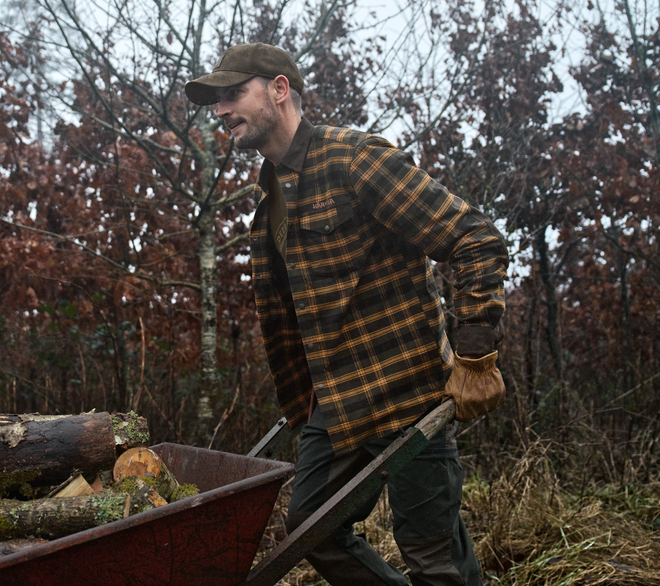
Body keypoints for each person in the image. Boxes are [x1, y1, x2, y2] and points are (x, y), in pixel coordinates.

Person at [185, 43, 508, 586]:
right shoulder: (270, 203)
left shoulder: (355, 160)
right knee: (309, 531)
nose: (220, 110)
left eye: (233, 94)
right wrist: (305, 398)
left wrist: (475, 357)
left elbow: (475, 238)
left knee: (432, 557)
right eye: (217, 100)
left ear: (279, 89)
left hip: (410, 398)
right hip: (336, 406)